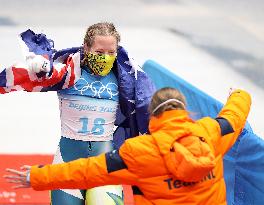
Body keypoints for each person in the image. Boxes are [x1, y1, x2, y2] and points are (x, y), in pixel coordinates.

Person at [4, 87, 251, 205]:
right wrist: (239, 94)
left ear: (152, 115)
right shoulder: (211, 132)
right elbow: (234, 116)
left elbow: (88, 171)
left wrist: (37, 176)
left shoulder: (140, 151)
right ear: (184, 110)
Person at [0, 22, 155, 205]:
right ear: (86, 48)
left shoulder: (128, 80)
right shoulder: (68, 73)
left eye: (111, 53)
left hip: (105, 163)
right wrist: (38, 65)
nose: (105, 58)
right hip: (67, 161)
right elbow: (42, 73)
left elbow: (148, 107)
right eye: (99, 52)